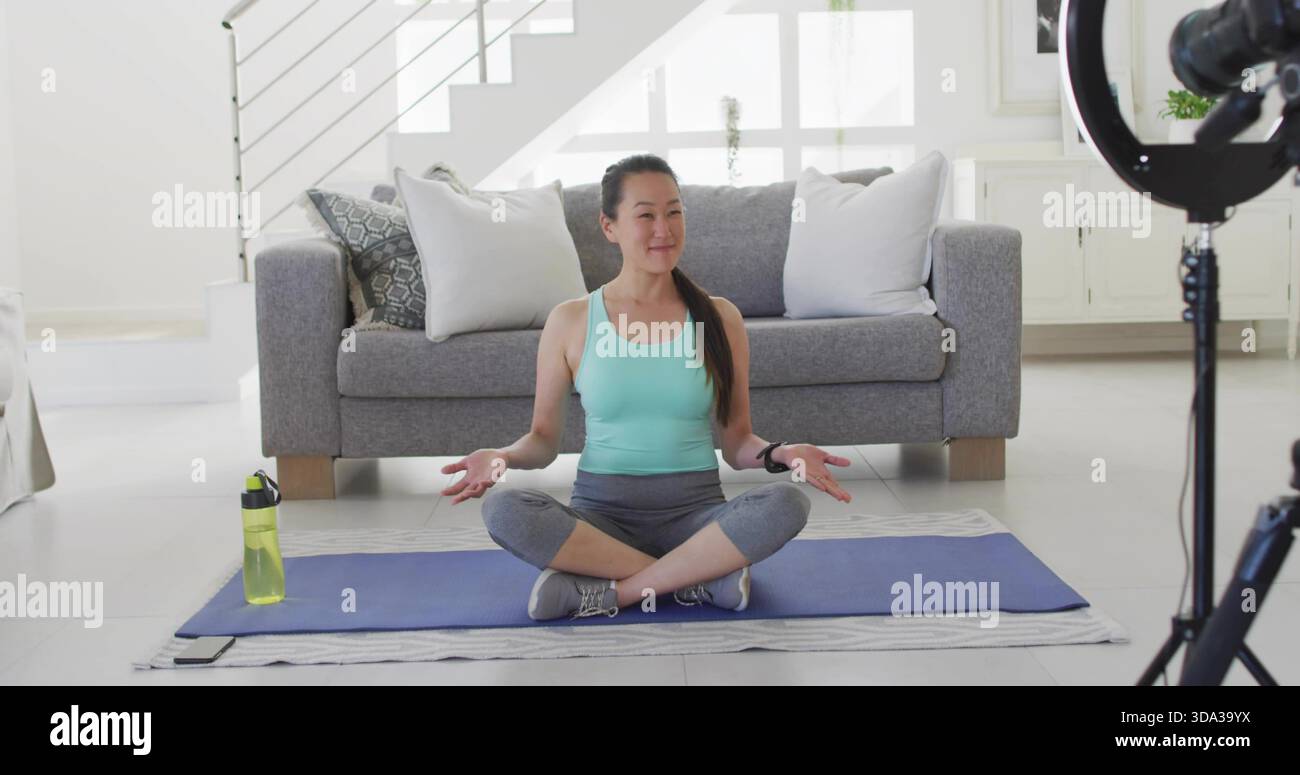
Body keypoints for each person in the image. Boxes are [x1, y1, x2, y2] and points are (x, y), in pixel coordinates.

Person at [441, 154, 852, 621]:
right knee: (505, 510)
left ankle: (611, 590)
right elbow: (543, 441)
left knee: (786, 503)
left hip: (697, 518)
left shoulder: (720, 318)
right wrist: (503, 457)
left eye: (674, 212)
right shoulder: (571, 320)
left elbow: (738, 443)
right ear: (609, 226)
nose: (664, 228)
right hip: (600, 521)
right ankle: (699, 578)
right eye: (646, 215)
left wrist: (783, 454)